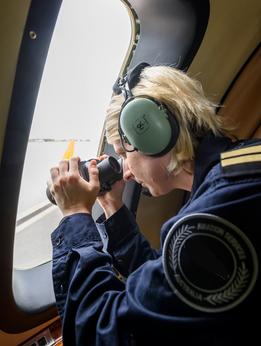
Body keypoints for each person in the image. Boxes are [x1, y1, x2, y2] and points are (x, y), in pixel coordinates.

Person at [49, 63, 261, 346]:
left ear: (155, 136)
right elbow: (170, 289)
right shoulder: (239, 169)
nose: (126, 172)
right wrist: (114, 210)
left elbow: (108, 332)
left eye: (124, 151)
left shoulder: (213, 216)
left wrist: (75, 215)